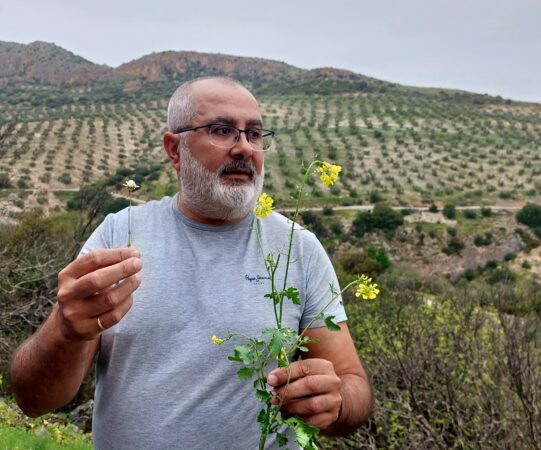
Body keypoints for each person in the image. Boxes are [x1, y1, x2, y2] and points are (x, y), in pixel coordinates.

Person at [10, 77, 372, 449]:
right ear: (174, 149)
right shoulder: (120, 235)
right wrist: (65, 331)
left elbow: (353, 386)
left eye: (255, 134)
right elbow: (35, 401)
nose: (244, 148)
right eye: (222, 130)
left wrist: (337, 400)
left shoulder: (298, 247)